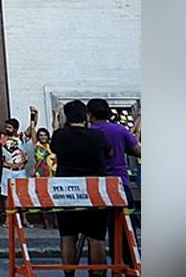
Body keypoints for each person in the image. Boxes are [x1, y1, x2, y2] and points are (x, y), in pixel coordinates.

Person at [50, 100, 112, 277]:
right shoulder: (97, 136)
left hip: (67, 192)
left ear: (67, 117)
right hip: (95, 191)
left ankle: (69, 274)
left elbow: (54, 149)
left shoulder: (60, 136)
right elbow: (110, 153)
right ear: (86, 116)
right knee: (96, 237)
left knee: (68, 235)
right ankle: (98, 273)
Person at [88, 98, 142, 268]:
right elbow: (138, 150)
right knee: (125, 231)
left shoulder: (88, 132)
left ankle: (98, 269)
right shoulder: (119, 130)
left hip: (95, 186)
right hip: (120, 184)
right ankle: (129, 266)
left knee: (95, 234)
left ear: (90, 115)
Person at [0, 107, 35, 227]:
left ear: (15, 128)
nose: (7, 129)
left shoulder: (21, 137)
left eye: (9, 127)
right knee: (6, 195)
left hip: (20, 171)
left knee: (23, 194)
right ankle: (8, 219)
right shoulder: (3, 138)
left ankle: (25, 218)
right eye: (6, 127)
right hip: (7, 170)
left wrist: (33, 114)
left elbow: (32, 128)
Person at [32, 109, 60, 230]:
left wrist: (55, 115)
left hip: (53, 173)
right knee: (43, 199)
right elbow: (32, 129)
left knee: (55, 198)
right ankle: (45, 221)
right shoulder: (36, 145)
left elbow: (56, 129)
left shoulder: (52, 144)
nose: (43, 137)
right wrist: (33, 115)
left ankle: (56, 221)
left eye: (45, 135)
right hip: (41, 173)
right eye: (41, 135)